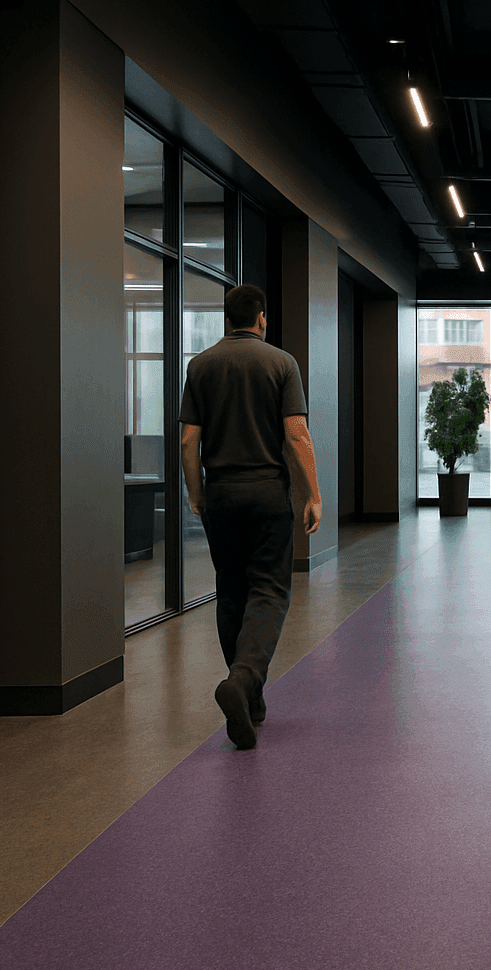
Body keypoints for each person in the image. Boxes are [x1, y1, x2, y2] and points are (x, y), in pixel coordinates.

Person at [180, 284, 322, 750]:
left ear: (227, 320)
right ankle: (241, 683)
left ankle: (250, 699)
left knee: (232, 592)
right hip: (265, 495)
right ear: (261, 318)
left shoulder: (199, 366)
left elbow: (188, 442)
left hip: (220, 494)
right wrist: (312, 495)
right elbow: (296, 435)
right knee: (269, 591)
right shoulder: (281, 363)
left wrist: (197, 495)